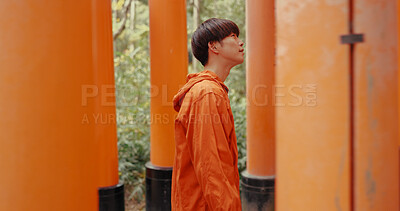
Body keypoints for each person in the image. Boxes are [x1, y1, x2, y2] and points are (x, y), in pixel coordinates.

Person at [171, 18, 245, 210]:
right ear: (213, 46)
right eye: (233, 36)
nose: (240, 42)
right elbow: (210, 165)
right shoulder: (207, 93)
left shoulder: (211, 90)